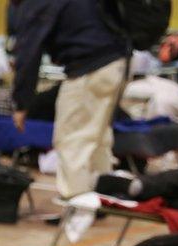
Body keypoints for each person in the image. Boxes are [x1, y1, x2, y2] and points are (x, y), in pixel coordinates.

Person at [11, 0, 128, 198]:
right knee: (98, 138)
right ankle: (103, 199)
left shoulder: (34, 4)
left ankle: (76, 211)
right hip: (118, 62)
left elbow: (28, 54)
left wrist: (21, 103)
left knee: (71, 142)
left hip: (90, 68)